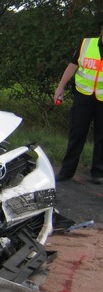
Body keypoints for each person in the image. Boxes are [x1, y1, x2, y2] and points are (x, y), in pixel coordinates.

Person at [54, 25, 103, 185]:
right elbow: (72, 66)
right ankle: (67, 171)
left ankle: (98, 173)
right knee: (77, 133)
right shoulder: (86, 44)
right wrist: (60, 87)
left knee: (101, 137)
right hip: (83, 96)